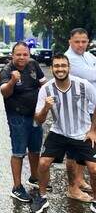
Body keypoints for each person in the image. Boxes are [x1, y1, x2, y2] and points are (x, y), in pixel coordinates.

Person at [30, 54, 96, 213]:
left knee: (94, 169)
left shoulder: (83, 85)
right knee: (43, 163)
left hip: (82, 133)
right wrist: (46, 108)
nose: (60, 69)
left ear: (69, 68)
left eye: (63, 66)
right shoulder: (46, 89)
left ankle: (95, 199)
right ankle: (42, 196)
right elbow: (38, 120)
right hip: (59, 132)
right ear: (52, 68)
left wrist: (93, 131)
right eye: (57, 66)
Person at [0, 42, 47, 202]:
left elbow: (43, 83)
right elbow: (4, 93)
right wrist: (13, 81)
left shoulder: (33, 65)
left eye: (25, 54)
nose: (22, 57)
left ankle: (34, 178)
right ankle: (17, 187)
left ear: (29, 54)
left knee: (35, 149)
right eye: (18, 54)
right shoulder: (6, 70)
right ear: (12, 55)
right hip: (17, 116)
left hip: (34, 114)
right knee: (19, 151)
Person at [64, 27, 96, 201]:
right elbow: (90, 74)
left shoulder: (89, 56)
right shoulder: (69, 59)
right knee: (74, 148)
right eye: (77, 41)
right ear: (70, 41)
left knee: (86, 145)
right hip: (77, 110)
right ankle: (73, 188)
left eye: (84, 41)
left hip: (91, 109)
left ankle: (80, 179)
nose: (81, 45)